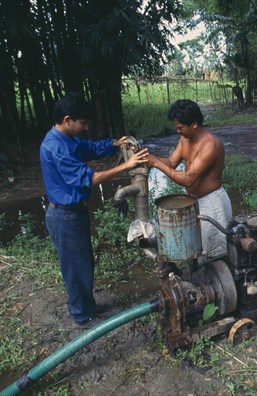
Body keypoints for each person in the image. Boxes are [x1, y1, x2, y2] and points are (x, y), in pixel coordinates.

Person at [40, 92, 148, 327]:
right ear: (68, 120)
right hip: (64, 215)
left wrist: (113, 145)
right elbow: (90, 179)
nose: (86, 127)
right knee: (75, 267)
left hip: (73, 212)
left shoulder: (68, 140)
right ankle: (81, 316)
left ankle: (85, 307)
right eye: (83, 123)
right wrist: (128, 165)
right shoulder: (55, 148)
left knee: (83, 262)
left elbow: (88, 148)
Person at [146, 99, 232, 264]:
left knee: (215, 254)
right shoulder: (185, 139)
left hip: (212, 202)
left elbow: (189, 179)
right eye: (176, 127)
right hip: (193, 202)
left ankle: (227, 287)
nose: (177, 131)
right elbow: (171, 162)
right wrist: (148, 157)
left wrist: (155, 164)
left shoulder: (210, 144)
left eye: (180, 127)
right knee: (196, 250)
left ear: (194, 124)